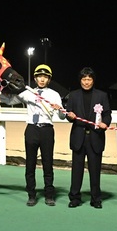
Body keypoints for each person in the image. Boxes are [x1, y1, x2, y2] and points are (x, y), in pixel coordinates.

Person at [15, 64, 66, 206]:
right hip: (32, 129)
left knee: (47, 164)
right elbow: (11, 97)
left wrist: (60, 109)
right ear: (35, 78)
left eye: (45, 77)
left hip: (47, 130)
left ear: (49, 79)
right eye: (39, 76)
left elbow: (62, 116)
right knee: (30, 164)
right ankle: (31, 195)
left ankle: (49, 195)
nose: (42, 79)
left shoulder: (54, 94)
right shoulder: (28, 92)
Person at [64, 67, 112, 208]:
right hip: (78, 138)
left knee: (95, 170)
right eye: (84, 79)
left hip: (95, 137)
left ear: (93, 80)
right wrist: (70, 116)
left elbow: (107, 114)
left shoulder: (102, 95)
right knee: (76, 170)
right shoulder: (73, 95)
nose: (86, 82)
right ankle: (74, 198)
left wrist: (105, 123)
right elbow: (68, 113)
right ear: (80, 80)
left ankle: (96, 199)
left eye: (89, 79)